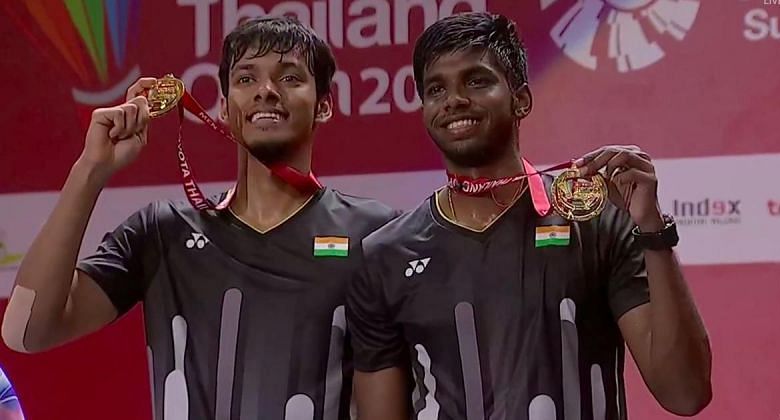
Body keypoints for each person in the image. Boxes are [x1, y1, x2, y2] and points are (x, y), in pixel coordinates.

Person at [2, 16, 397, 419]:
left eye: (290, 78)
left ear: (324, 105)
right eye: (246, 79)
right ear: (224, 107)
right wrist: (90, 170)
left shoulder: (376, 235)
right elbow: (26, 331)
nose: (266, 92)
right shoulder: (161, 233)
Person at [347, 12, 712, 420]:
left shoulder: (597, 221)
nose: (454, 100)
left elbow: (685, 393)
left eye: (477, 80)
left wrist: (652, 230)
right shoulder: (387, 254)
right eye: (436, 89)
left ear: (520, 98)